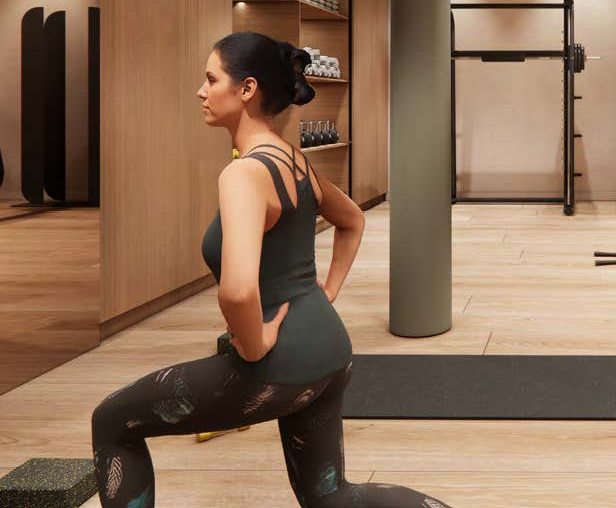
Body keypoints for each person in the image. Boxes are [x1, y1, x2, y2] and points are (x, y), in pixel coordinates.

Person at [91, 32, 451, 507]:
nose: (201, 91)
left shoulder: (243, 174)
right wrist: (325, 296)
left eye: (211, 78)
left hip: (281, 365)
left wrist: (256, 341)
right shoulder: (296, 162)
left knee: (112, 423)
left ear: (247, 90)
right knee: (333, 498)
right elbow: (353, 219)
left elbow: (238, 291)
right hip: (330, 352)